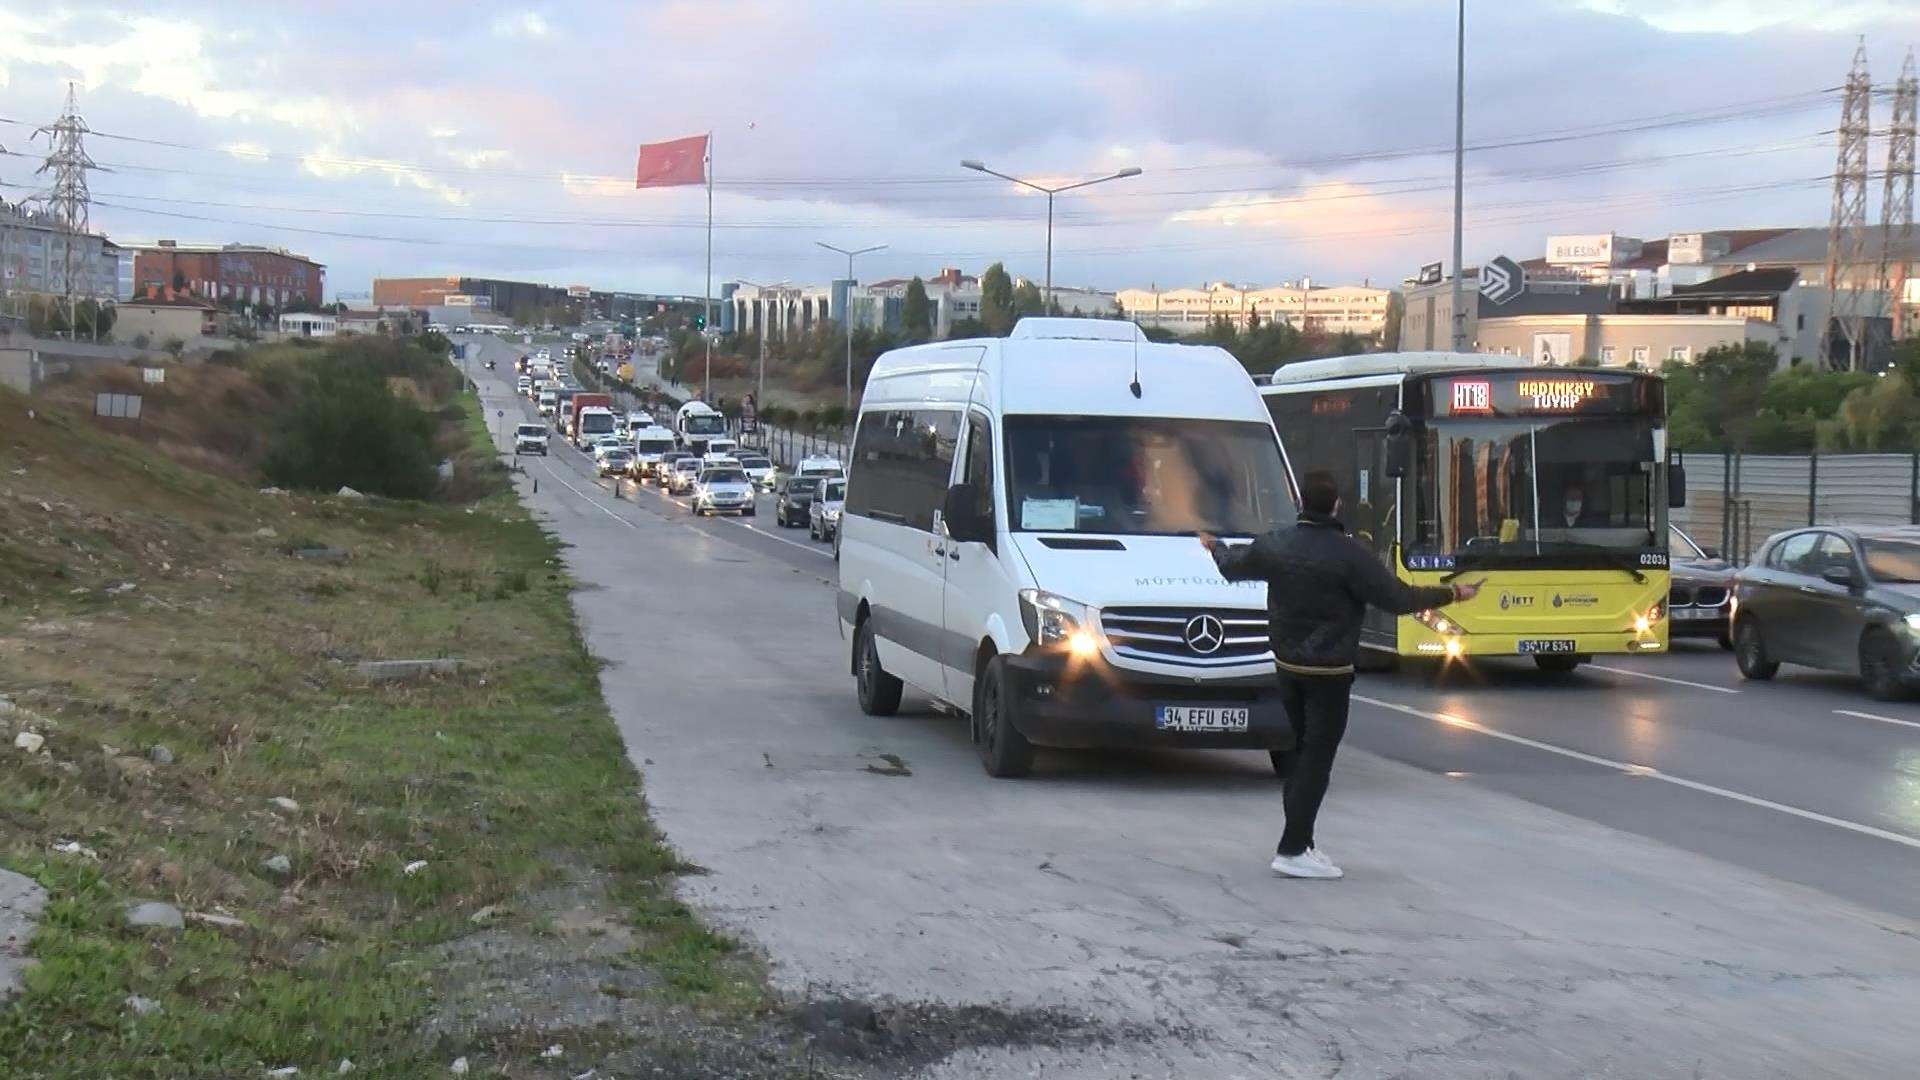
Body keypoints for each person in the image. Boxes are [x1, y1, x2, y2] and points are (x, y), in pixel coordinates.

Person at [1200, 471, 1482, 880]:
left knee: (1300, 755)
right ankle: (1293, 848)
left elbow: (1232, 566)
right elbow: (1399, 599)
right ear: (1336, 506)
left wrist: (1215, 546)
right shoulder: (1350, 555)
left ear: (1301, 506)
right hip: (1329, 672)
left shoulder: (1275, 545)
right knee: (1317, 758)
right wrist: (1453, 593)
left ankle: (1302, 842)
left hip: (1287, 667)